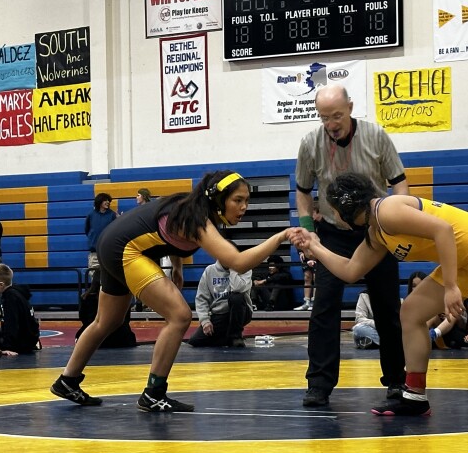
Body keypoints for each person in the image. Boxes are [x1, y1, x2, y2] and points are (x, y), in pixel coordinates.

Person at [289, 172, 468, 425]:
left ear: (346, 207)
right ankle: (415, 395)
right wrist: (315, 246)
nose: (335, 218)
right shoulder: (377, 232)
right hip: (461, 261)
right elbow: (350, 271)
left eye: (334, 211)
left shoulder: (388, 210)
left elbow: (442, 230)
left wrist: (450, 287)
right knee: (410, 313)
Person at [50, 170, 293, 412]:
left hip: (111, 244)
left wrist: (177, 267)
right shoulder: (198, 221)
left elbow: (168, 234)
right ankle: (153, 393)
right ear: (218, 199)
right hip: (126, 250)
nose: (244, 208)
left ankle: (67, 380)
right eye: (237, 200)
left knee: (107, 321)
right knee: (179, 316)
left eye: (246, 201)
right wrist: (281, 236)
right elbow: (238, 262)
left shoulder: (189, 207)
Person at [294, 84, 407, 407]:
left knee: (387, 309)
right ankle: (319, 383)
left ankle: (397, 381)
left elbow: (399, 183)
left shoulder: (376, 136)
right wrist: (307, 232)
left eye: (337, 115)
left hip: (376, 230)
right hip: (333, 232)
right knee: (324, 308)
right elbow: (303, 191)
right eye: (325, 117)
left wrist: (394, 223)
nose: (332, 123)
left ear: (351, 108)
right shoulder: (310, 144)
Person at [188, 256, 253, 348]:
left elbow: (237, 288)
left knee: (236, 297)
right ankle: (226, 339)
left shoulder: (245, 269)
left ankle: (236, 336)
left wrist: (233, 268)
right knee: (195, 341)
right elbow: (201, 298)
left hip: (241, 312)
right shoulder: (209, 270)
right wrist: (205, 320)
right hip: (220, 314)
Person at [0, 263, 40, 355]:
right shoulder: (17, 292)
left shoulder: (10, 298)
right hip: (29, 339)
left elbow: (12, 323)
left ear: (1, 284)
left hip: (21, 344)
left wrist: (8, 347)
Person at [75, 281, 137, 348]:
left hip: (94, 340)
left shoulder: (86, 297)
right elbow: (126, 319)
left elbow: (83, 318)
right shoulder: (123, 297)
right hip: (122, 340)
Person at [294, 198, 321, 311]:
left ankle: (315, 301)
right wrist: (301, 252)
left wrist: (315, 258)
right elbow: (298, 240)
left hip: (319, 256)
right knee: (307, 277)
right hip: (306, 254)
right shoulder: (306, 226)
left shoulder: (322, 227)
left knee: (316, 277)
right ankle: (306, 301)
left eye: (313, 213)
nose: (311, 216)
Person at [85, 192, 118, 283]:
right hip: (94, 253)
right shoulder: (91, 215)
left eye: (108, 201)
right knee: (94, 279)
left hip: (108, 252)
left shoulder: (112, 215)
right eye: (105, 200)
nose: (108, 202)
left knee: (109, 278)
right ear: (100, 202)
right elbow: (87, 230)